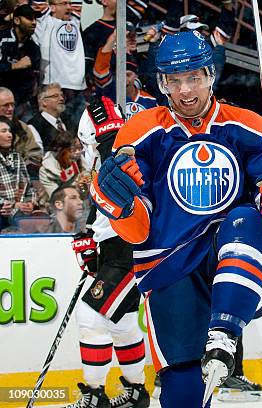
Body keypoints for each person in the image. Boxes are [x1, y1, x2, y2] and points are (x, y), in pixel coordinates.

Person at [89, 31, 262, 407]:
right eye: (174, 81)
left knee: (247, 220)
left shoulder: (248, 125)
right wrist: (118, 205)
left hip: (225, 249)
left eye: (193, 77)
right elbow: (137, 226)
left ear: (210, 75)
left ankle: (223, 334)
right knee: (183, 389)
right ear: (162, 83)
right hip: (166, 261)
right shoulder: (143, 131)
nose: (185, 90)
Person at [67, 97, 150, 408]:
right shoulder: (110, 150)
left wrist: (92, 234)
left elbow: (120, 200)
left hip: (128, 250)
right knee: (122, 322)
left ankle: (94, 396)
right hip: (118, 246)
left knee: (91, 316)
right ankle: (136, 393)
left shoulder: (111, 148)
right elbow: (104, 203)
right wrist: (90, 233)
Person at [33, 0, 86, 131]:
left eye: (69, 3)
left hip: (77, 89)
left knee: (77, 134)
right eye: (63, 3)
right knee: (55, 132)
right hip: (54, 87)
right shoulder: (44, 23)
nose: (69, 7)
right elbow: (38, 5)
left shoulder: (75, 21)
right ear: (52, 7)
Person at [0, 4, 40, 121]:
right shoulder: (2, 38)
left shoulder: (34, 48)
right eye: (29, 18)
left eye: (35, 19)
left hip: (20, 103)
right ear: (17, 20)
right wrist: (15, 66)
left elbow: (31, 79)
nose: (34, 23)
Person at [0, 116, 34, 231]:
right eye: (4, 131)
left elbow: (29, 187)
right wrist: (6, 204)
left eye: (10, 131)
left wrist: (30, 203)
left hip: (19, 211)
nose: (9, 135)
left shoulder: (17, 158)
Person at [39, 131, 84, 199]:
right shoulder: (45, 171)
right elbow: (57, 198)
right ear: (60, 150)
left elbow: (84, 190)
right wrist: (76, 189)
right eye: (73, 149)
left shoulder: (77, 161)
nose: (78, 152)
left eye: (80, 148)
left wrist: (84, 187)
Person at [28, 83, 68, 151]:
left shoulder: (68, 121)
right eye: (55, 96)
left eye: (62, 96)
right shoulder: (34, 125)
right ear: (44, 102)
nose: (61, 99)